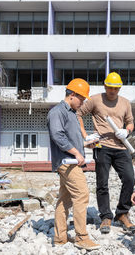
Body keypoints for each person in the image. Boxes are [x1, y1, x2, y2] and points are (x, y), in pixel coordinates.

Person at [76, 72, 135, 234]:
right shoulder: (95, 100)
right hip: (101, 146)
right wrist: (85, 136)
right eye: (110, 88)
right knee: (102, 183)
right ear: (105, 86)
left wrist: (126, 131)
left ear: (119, 88)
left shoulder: (125, 103)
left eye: (115, 89)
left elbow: (130, 122)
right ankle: (106, 216)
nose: (112, 91)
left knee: (130, 179)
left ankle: (122, 214)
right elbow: (78, 113)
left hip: (121, 147)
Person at [47, 78, 100, 251]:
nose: (83, 102)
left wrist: (85, 145)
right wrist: (77, 153)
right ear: (72, 95)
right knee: (82, 195)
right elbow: (58, 136)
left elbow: (71, 139)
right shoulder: (57, 112)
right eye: (82, 99)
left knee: (64, 200)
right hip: (66, 163)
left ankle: (60, 238)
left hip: (70, 161)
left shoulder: (71, 113)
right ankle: (81, 237)